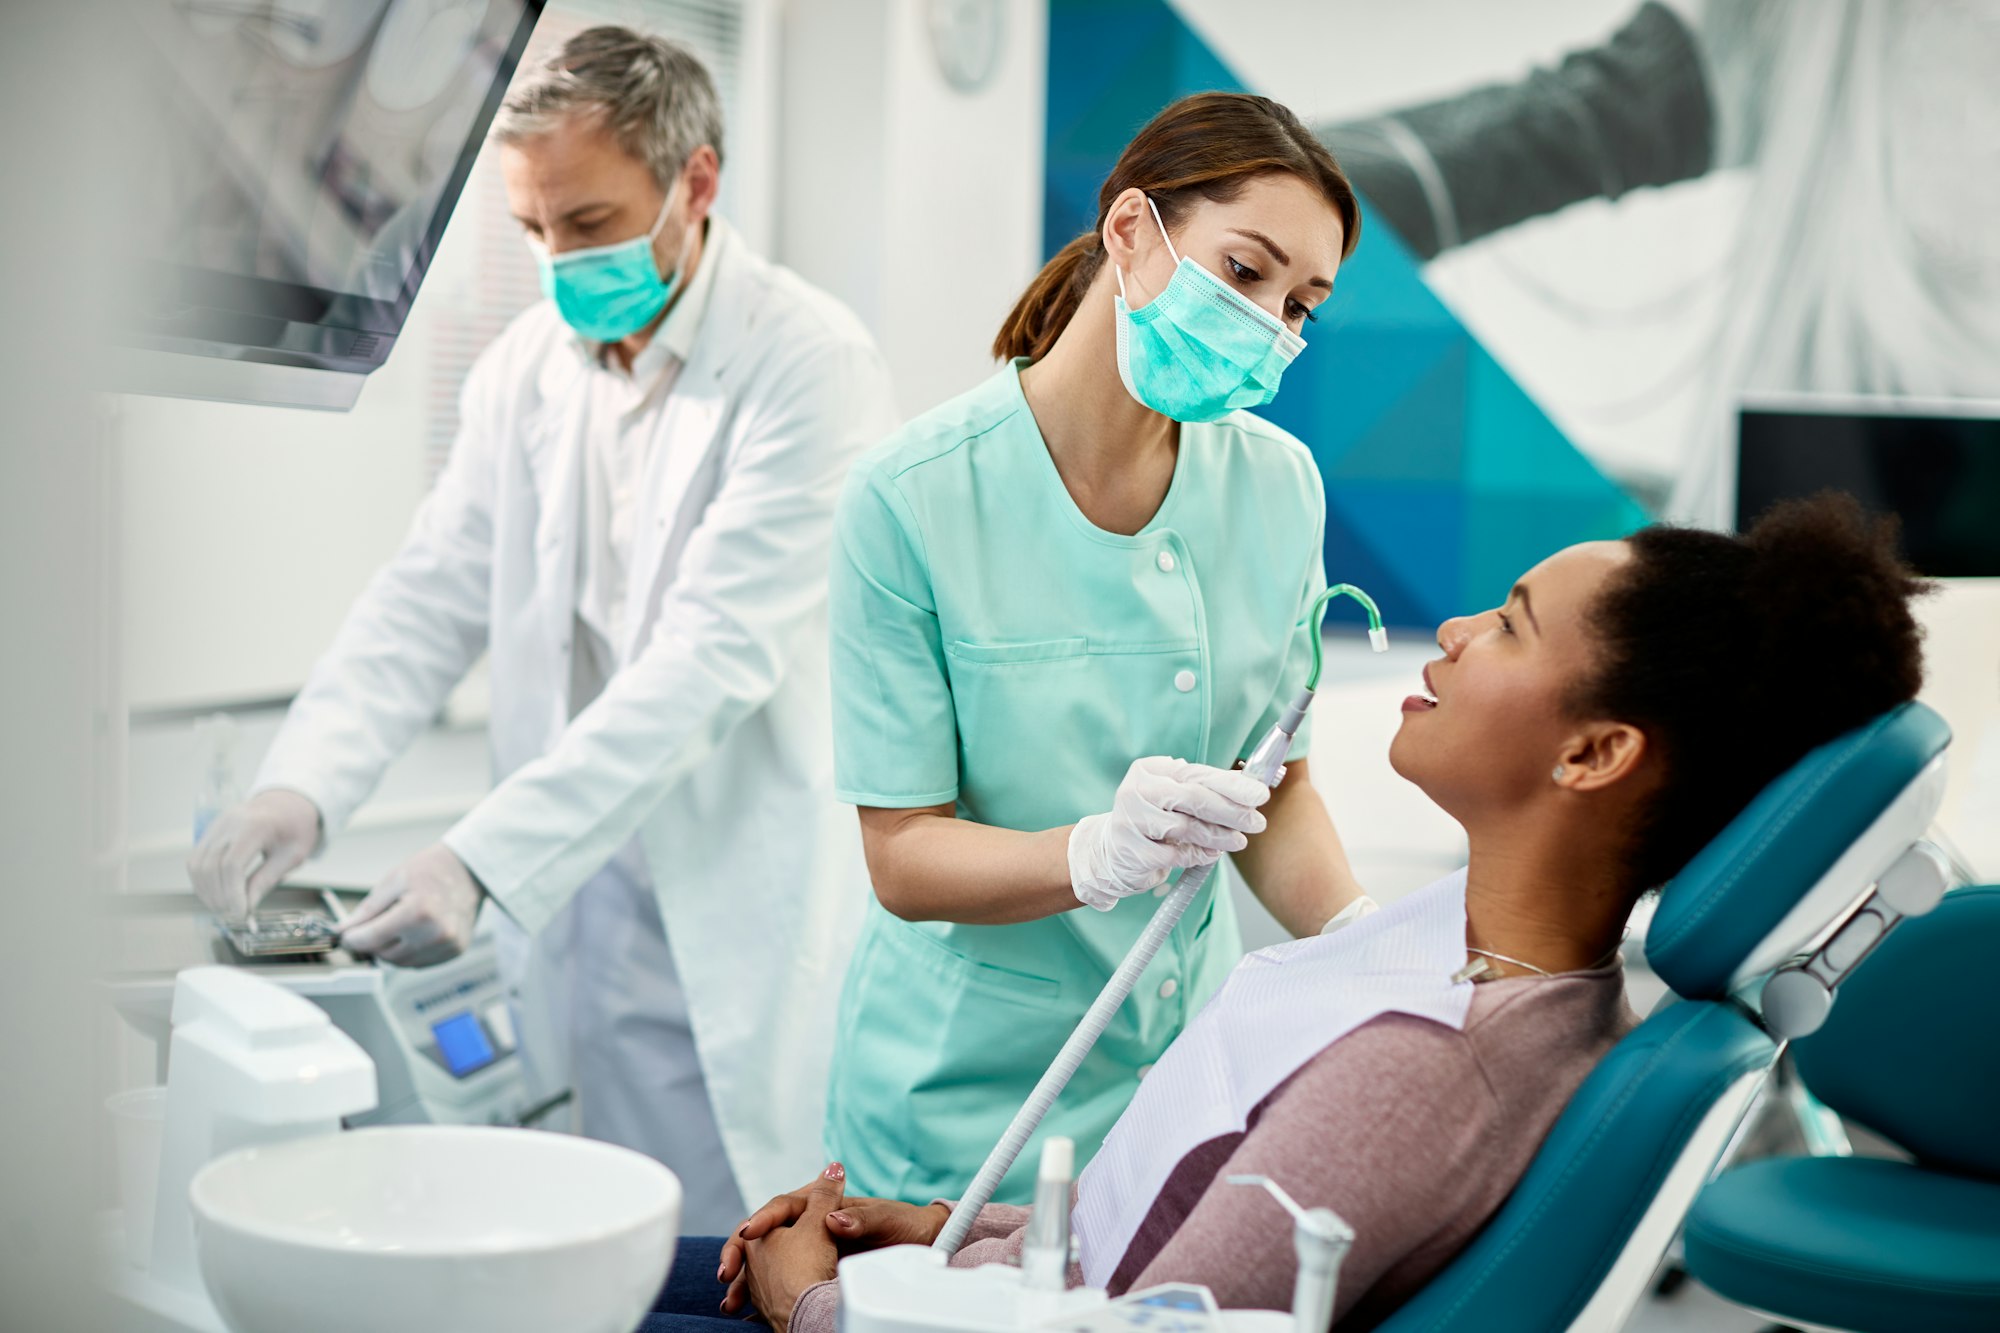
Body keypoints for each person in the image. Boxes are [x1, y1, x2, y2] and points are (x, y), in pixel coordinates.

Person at [640, 491, 1927, 1333]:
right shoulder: (1450, 956)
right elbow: (1170, 1230)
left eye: (1513, 624)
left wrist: (817, 1308)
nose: (1460, 626)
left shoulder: (1427, 1072)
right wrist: (935, 1226)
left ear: (1591, 755)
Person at [185, 28, 897, 1232]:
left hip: (730, 905)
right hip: (569, 898)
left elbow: (705, 661)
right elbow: (428, 593)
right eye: (530, 229)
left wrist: (475, 858)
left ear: (698, 183)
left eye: (586, 221)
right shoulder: (526, 366)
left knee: (726, 1255)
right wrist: (298, 789)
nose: (557, 259)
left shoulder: (807, 364)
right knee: (575, 1235)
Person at [818, 91, 1375, 1208]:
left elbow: (1278, 787)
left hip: (1183, 1078)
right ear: (1131, 232)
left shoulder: (1276, 484)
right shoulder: (910, 499)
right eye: (1244, 271)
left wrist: (1359, 941)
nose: (1272, 324)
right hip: (960, 1103)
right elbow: (902, 856)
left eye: (1300, 303)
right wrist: (1092, 856)